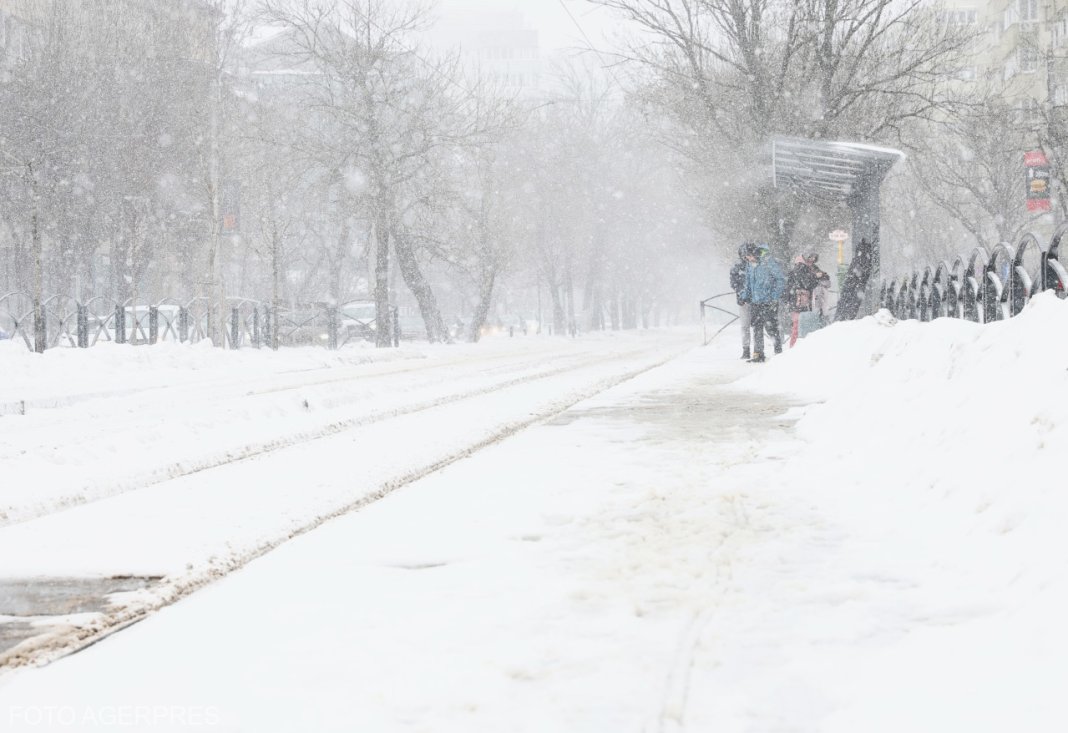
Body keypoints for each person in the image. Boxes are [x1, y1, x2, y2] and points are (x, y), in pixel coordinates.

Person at [740, 243, 785, 362]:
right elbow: (748, 283)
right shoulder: (749, 265)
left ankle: (778, 352)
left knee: (771, 328)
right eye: (746, 256)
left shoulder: (768, 262)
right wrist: (744, 296)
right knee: (757, 328)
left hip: (768, 301)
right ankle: (758, 354)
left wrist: (774, 297)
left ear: (754, 253)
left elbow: (780, 280)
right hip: (755, 302)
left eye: (748, 255)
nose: (747, 258)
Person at [786, 251, 829, 347]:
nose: (812, 260)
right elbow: (806, 283)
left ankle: (797, 347)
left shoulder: (810, 267)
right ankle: (793, 348)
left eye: (814, 259)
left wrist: (819, 276)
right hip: (798, 301)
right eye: (810, 258)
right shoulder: (800, 267)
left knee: (801, 327)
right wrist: (816, 276)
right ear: (806, 257)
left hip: (804, 301)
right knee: (798, 327)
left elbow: (825, 277)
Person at [730, 242, 757, 359]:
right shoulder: (737, 267)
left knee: (754, 325)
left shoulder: (755, 265)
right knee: (746, 326)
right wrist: (742, 294)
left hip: (755, 299)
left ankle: (755, 349)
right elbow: (734, 283)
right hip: (745, 300)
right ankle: (747, 349)